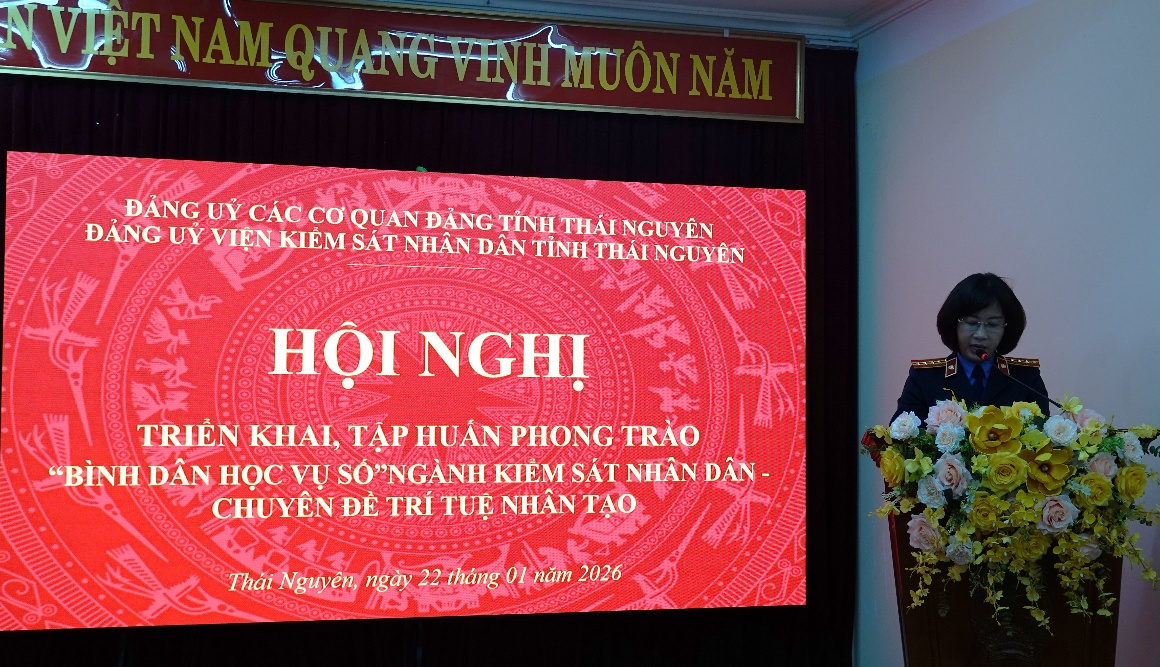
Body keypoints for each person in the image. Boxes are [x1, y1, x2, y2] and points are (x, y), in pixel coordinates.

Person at [893, 273, 1050, 421]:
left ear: (1006, 328)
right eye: (971, 323)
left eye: (992, 324)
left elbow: (1042, 436)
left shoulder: (1025, 378)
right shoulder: (926, 379)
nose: (981, 335)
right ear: (953, 323)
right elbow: (901, 436)